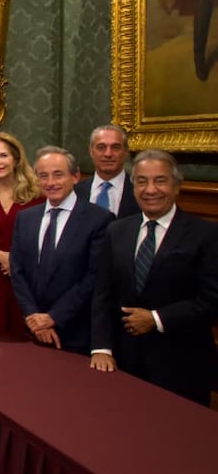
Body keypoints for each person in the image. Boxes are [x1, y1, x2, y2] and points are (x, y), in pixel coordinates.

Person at [90, 149, 218, 406]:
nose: (150, 190)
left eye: (160, 180)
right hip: (125, 363)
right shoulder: (117, 231)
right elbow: (103, 293)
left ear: (176, 186)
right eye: (141, 181)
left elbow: (211, 300)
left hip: (182, 364)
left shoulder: (206, 234)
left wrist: (156, 318)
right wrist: (102, 348)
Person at [9, 147, 113, 354]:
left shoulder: (99, 219)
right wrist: (34, 317)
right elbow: (17, 269)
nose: (50, 182)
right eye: (43, 176)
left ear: (75, 176)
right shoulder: (26, 218)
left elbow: (94, 277)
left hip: (75, 331)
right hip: (31, 330)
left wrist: (53, 317)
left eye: (58, 175)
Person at [0, 132, 44, 339]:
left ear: (16, 158)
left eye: (3, 155)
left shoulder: (37, 195)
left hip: (27, 278)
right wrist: (0, 255)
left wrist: (17, 261)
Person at [74, 124, 138, 218]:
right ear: (91, 151)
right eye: (101, 147)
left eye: (115, 147)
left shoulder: (139, 191)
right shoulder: (75, 192)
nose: (108, 154)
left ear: (125, 152)